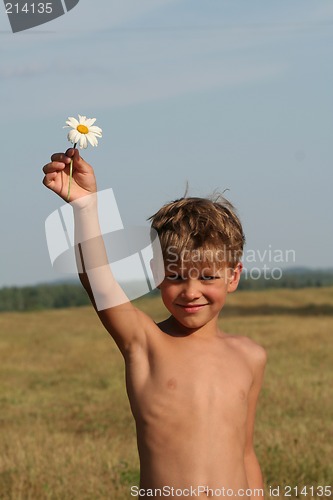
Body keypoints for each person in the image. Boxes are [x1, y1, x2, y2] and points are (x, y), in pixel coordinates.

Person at [42, 148, 267, 499]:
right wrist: (86, 208)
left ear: (233, 276)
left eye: (207, 276)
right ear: (156, 274)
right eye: (176, 276)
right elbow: (100, 284)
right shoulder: (145, 342)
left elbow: (245, 453)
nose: (191, 292)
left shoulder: (251, 356)